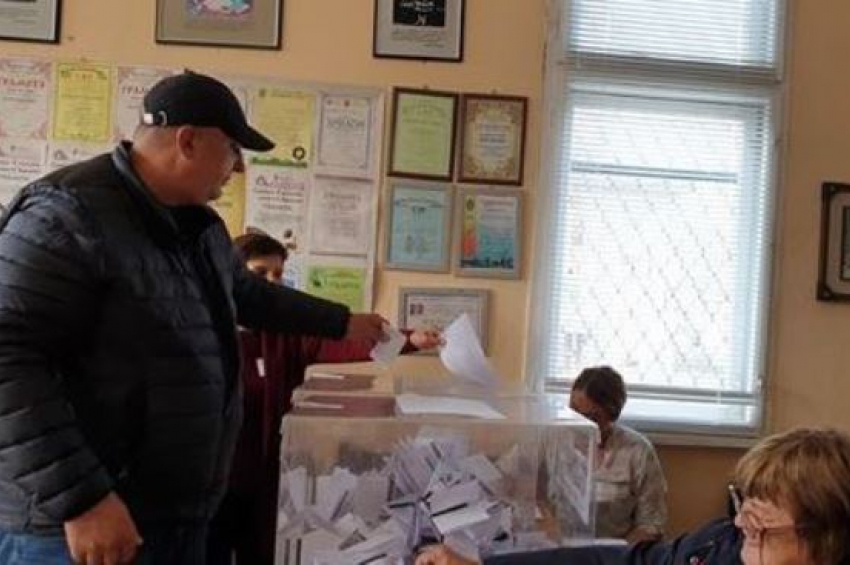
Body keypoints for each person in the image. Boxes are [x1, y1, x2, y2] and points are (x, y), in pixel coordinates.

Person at [0, 71, 386, 565]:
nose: (237, 168)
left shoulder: (197, 226)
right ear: (187, 141)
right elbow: (7, 360)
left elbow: (248, 295)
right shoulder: (66, 216)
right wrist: (81, 499)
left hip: (173, 517)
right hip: (84, 527)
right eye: (232, 150)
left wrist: (342, 322)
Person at [207, 231, 441, 565]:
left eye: (278, 274)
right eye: (260, 273)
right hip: (214, 480)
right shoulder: (207, 332)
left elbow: (343, 342)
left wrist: (409, 340)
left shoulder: (284, 334)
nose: (272, 282)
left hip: (268, 479)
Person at [414, 427, 850, 565]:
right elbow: (625, 561)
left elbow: (649, 523)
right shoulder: (723, 543)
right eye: (742, 504)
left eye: (759, 525)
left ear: (827, 540)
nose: (740, 523)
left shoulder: (637, 450)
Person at [568, 366, 667, 543]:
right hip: (559, 548)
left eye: (591, 418)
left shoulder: (637, 451)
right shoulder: (553, 442)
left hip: (615, 551)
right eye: (574, 413)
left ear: (612, 414)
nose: (579, 426)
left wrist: (618, 552)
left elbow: (652, 524)